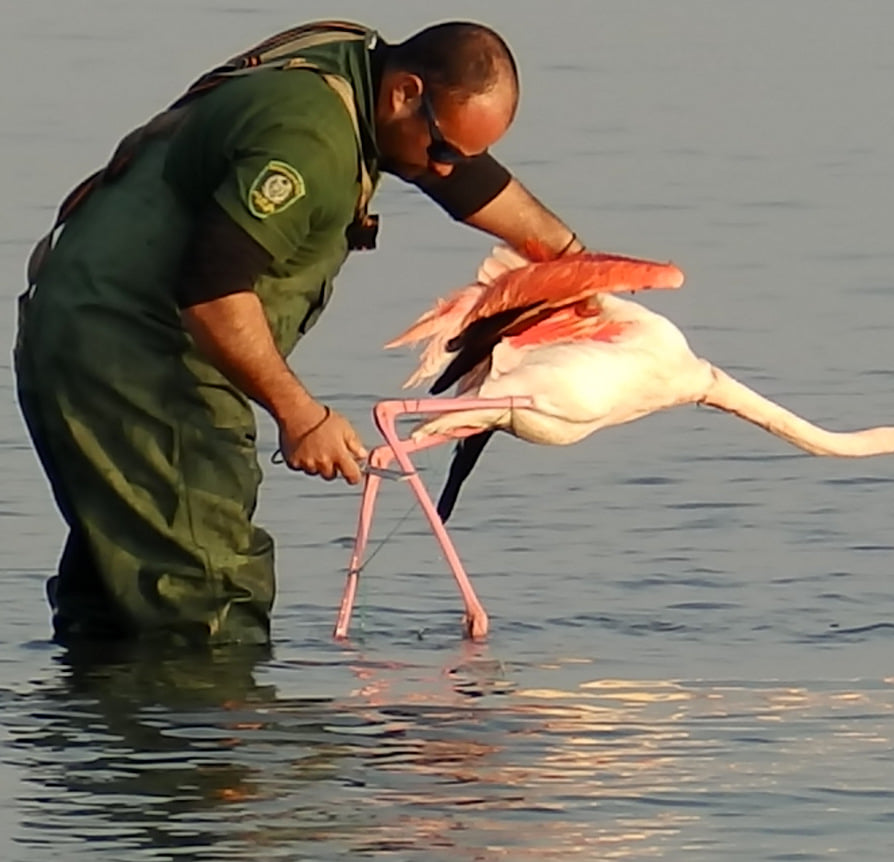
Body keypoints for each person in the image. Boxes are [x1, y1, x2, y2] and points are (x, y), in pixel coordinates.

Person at [14, 20, 592, 647]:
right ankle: (210, 740)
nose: (448, 171)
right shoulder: (308, 143)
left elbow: (463, 180)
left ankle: (114, 735)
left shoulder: (351, 73)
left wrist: (573, 261)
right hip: (137, 361)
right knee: (206, 606)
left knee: (119, 602)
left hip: (80, 329)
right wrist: (302, 416)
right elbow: (211, 296)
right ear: (404, 93)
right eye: (446, 151)